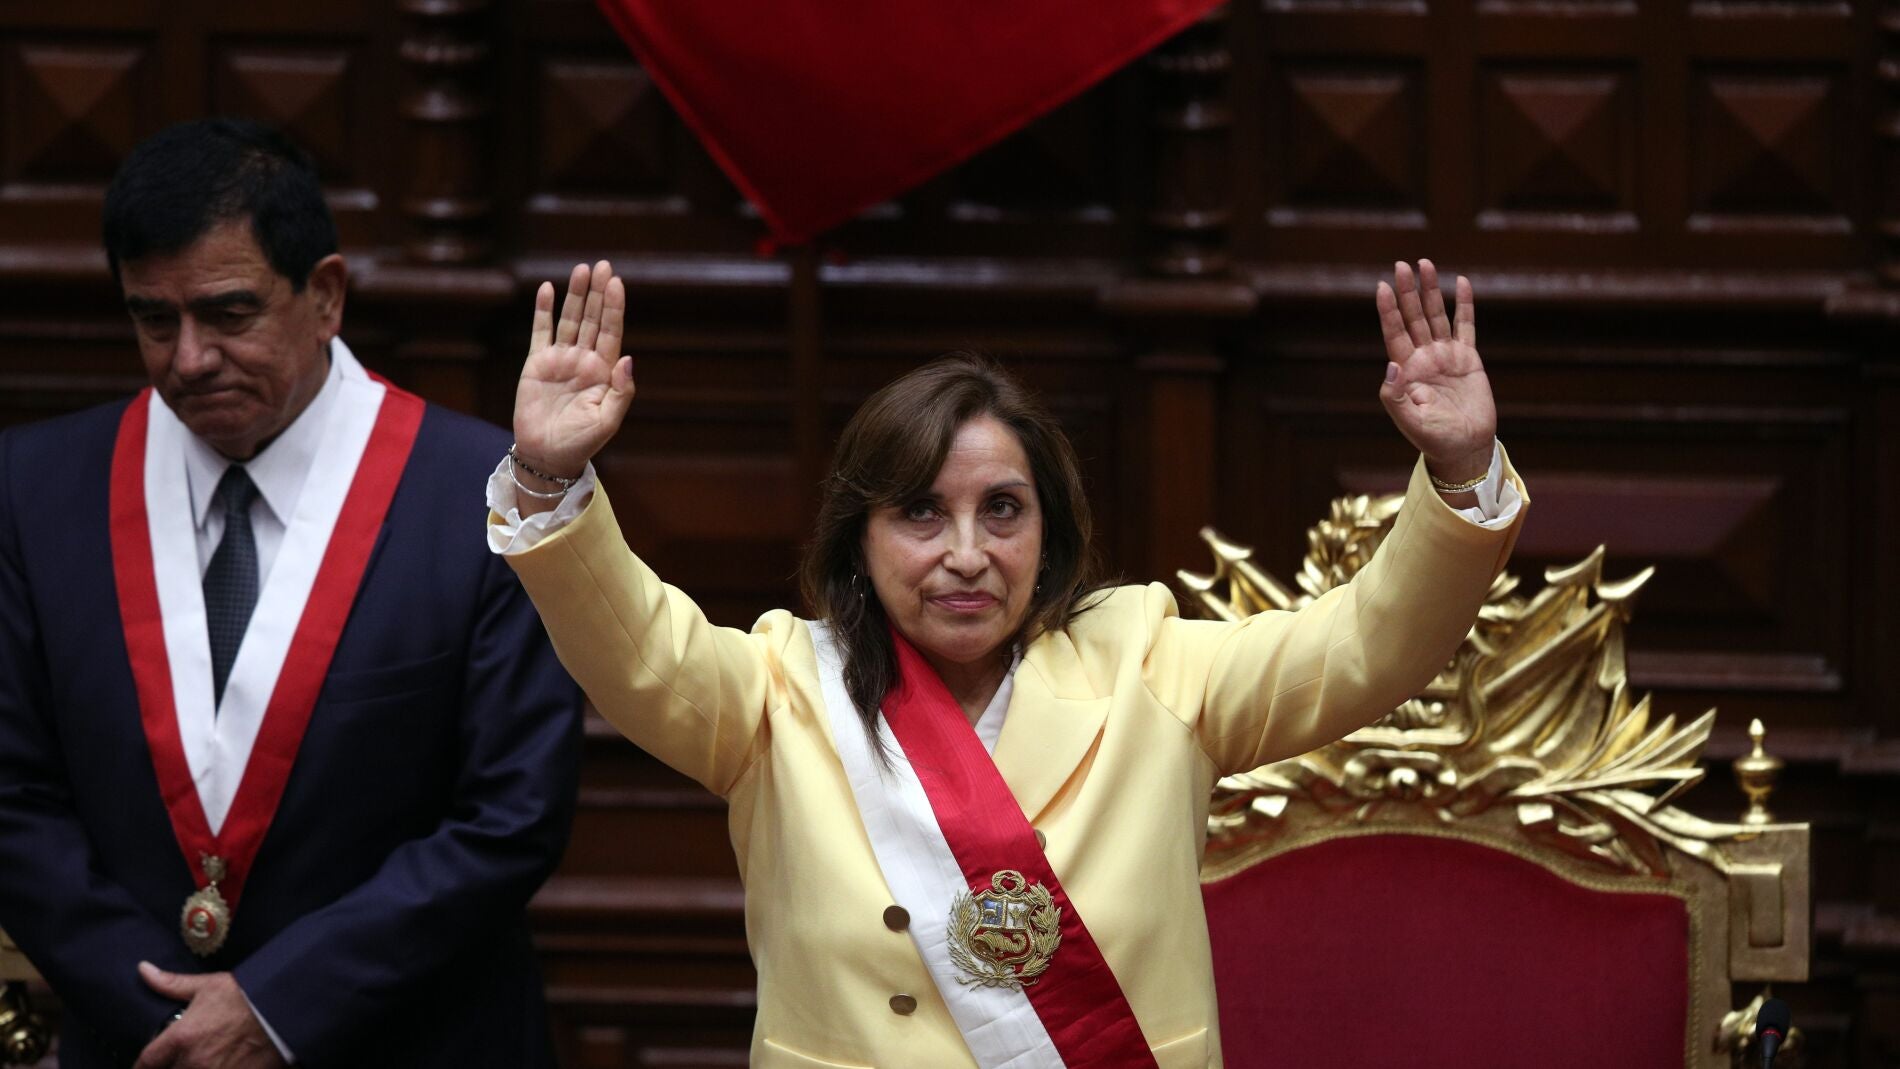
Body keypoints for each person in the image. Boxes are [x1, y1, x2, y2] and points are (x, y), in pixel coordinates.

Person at [489, 258, 1525, 1068]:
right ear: (858, 539)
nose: (967, 554)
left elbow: (1367, 645)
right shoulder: (779, 689)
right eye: (919, 513)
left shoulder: (1150, 658)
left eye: (1002, 509)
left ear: (1050, 530)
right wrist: (547, 473)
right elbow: (630, 643)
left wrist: (1459, 464)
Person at [0, 119, 584, 1069]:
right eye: (154, 320)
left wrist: (275, 1009)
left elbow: (510, 814)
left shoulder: (483, 496)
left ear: (325, 296)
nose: (189, 358)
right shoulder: (34, 491)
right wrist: (169, 1021)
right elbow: (12, 796)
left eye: (229, 314)